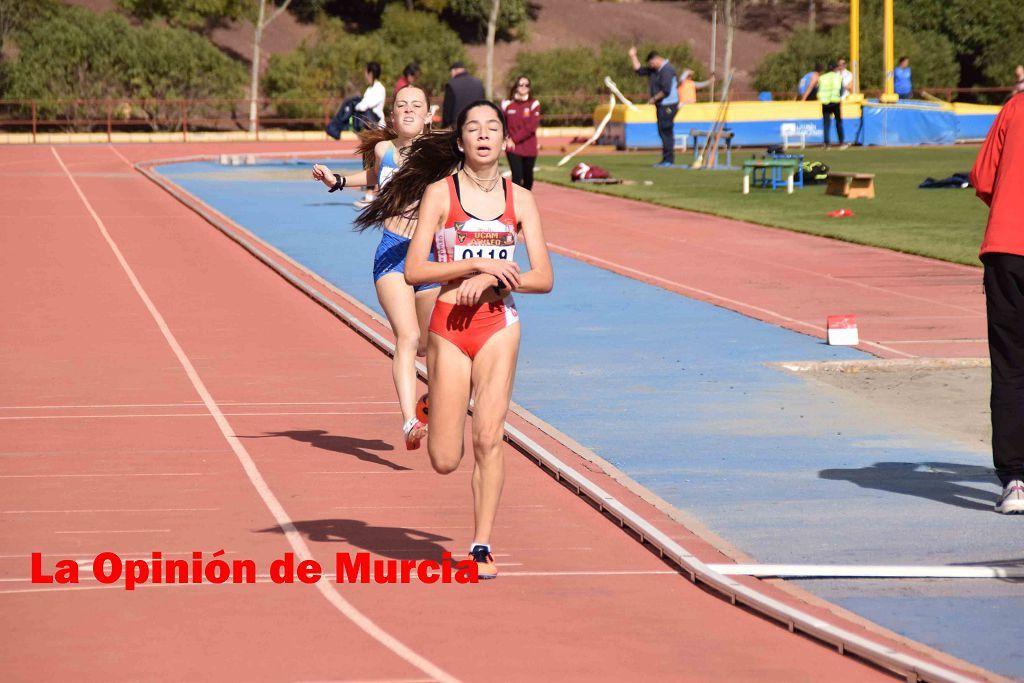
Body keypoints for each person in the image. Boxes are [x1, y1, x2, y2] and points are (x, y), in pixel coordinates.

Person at [363, 101, 554, 578]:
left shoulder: (522, 199)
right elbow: (414, 270)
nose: (484, 135)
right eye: (474, 127)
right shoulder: (438, 194)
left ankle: (481, 546)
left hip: (498, 325)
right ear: (461, 141)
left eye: (493, 128)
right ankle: (439, 400)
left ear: (506, 141)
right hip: (449, 325)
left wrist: (495, 283)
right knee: (446, 459)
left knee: (490, 436)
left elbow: (543, 278)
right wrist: (475, 266)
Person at [312, 85, 439, 450]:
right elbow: (373, 177)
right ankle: (409, 421)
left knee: (430, 347)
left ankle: (430, 400)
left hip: (430, 255)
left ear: (430, 116)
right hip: (392, 253)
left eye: (417, 105)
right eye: (402, 105)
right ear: (393, 117)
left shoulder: (442, 156)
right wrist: (336, 181)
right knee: (408, 337)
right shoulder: (384, 149)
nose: (409, 110)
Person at [969, 91, 1024, 514]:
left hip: (1007, 248)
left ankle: (1015, 481)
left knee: (1010, 366)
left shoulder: (1014, 108)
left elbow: (984, 179)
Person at [628, 47, 679, 167]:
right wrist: (633, 56)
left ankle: (669, 160)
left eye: (651, 63)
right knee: (662, 131)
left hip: (668, 105)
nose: (651, 66)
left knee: (666, 130)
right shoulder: (655, 70)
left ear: (657, 59)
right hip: (661, 105)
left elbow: (666, 90)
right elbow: (639, 70)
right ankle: (666, 158)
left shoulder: (667, 70)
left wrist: (654, 99)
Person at [501, 76, 541, 189]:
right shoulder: (506, 103)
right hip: (512, 148)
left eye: (526, 85)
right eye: (521, 84)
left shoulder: (534, 104)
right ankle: (516, 204)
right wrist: (506, 138)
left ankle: (526, 201)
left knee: (528, 179)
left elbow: (531, 126)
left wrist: (514, 139)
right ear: (516, 86)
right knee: (517, 179)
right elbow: (502, 123)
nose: (524, 87)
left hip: (529, 148)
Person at [441, 62, 485, 129]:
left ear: (453, 70)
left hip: (458, 125)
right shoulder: (478, 83)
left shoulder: (451, 84)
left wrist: (445, 125)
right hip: (476, 123)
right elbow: (483, 103)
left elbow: (447, 109)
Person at [817, 62, 845, 148]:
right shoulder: (838, 77)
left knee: (826, 124)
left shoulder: (822, 77)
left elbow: (818, 89)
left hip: (825, 103)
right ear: (835, 69)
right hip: (835, 101)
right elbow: (841, 90)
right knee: (838, 122)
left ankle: (827, 143)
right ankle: (841, 142)